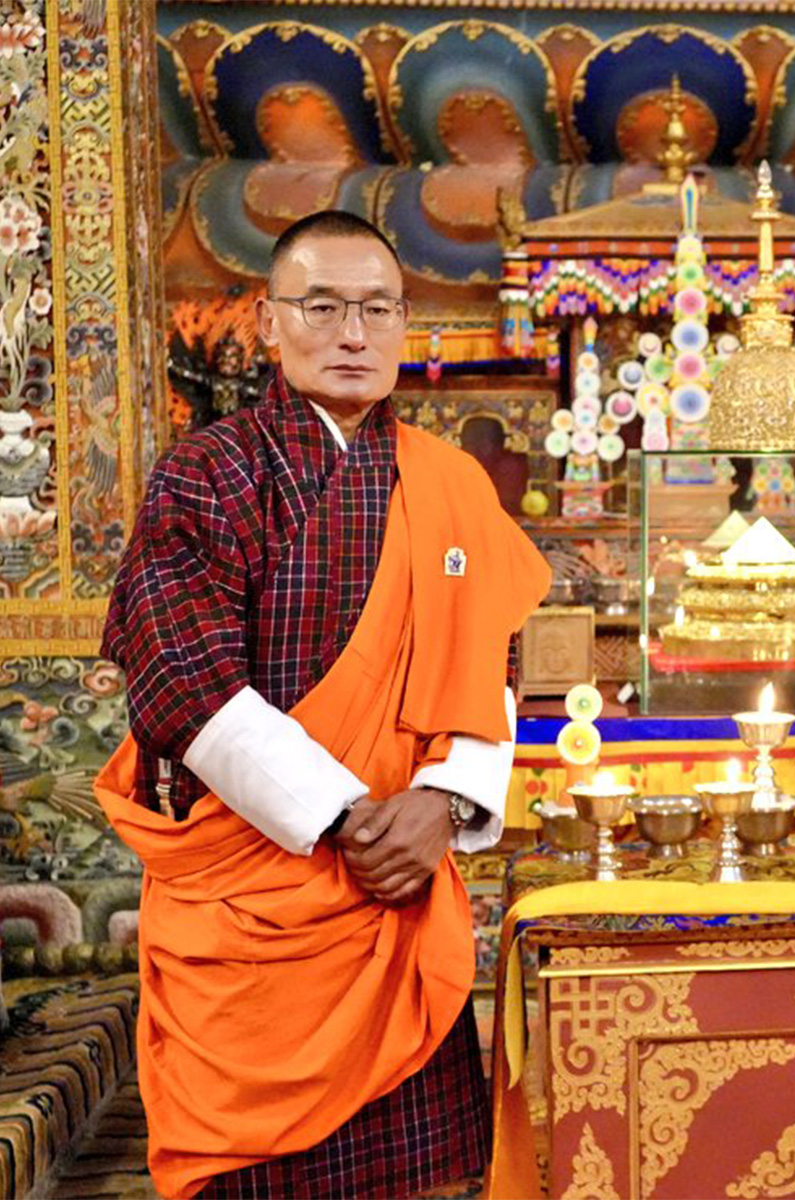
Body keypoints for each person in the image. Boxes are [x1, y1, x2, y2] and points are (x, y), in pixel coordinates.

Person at [95, 211, 550, 1198]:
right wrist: (348, 821)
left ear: (403, 322)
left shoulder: (452, 484)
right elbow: (185, 685)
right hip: (263, 905)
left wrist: (446, 801)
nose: (354, 334)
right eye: (324, 307)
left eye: (377, 309)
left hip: (399, 892)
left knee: (420, 1184)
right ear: (268, 321)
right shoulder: (206, 474)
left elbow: (492, 667)